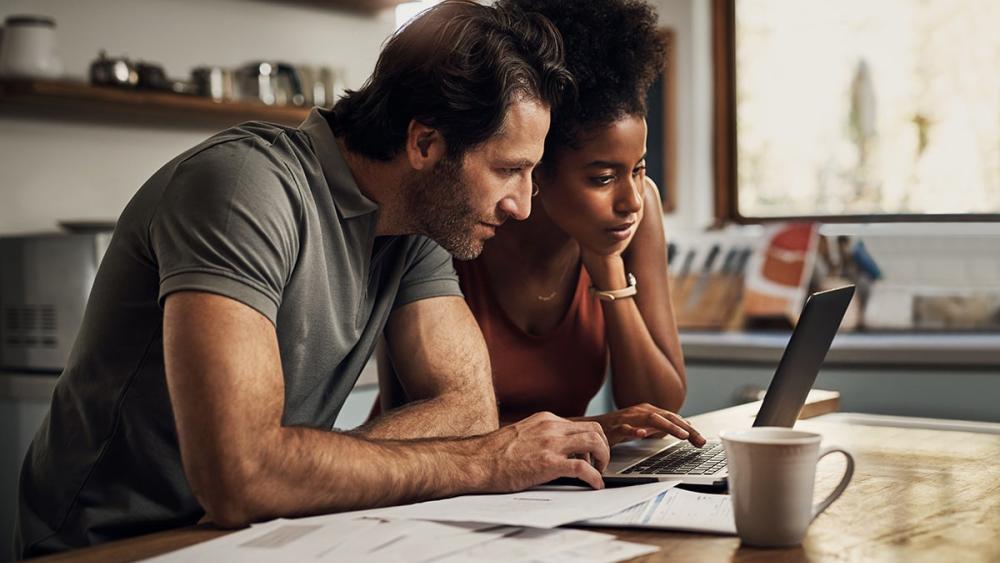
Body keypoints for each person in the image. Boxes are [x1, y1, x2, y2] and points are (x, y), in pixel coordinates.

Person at [14, 2, 613, 558]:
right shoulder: (244, 188)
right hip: (111, 546)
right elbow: (241, 476)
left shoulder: (417, 225)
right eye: (509, 169)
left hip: (255, 534)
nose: (523, 206)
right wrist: (483, 464)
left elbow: (468, 409)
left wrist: (301, 470)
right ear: (425, 142)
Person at [377, 0, 706, 448]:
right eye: (602, 178)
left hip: (550, 484)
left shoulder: (634, 213)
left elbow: (660, 405)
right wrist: (589, 428)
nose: (630, 199)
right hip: (433, 480)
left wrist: (607, 267)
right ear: (537, 166)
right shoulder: (457, 219)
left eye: (640, 168)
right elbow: (418, 418)